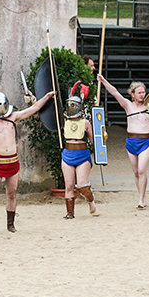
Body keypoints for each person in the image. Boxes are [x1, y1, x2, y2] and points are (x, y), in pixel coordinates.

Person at [0, 89, 57, 235]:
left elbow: (33, 109)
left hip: (12, 162)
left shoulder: (13, 117)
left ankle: (10, 225)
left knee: (12, 194)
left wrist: (46, 96)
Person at [97, 75, 149, 207]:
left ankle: (141, 199)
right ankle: (142, 196)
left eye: (143, 92)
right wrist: (103, 81)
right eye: (139, 93)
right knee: (136, 172)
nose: (142, 95)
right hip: (131, 140)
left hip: (145, 141)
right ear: (133, 94)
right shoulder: (128, 105)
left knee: (142, 170)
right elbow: (115, 92)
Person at [60, 82, 97, 219]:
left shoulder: (86, 123)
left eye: (73, 105)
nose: (71, 107)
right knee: (68, 185)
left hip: (82, 155)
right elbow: (48, 115)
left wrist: (101, 136)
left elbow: (94, 141)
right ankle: (70, 213)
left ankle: (91, 201)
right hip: (67, 154)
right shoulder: (63, 121)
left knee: (81, 185)